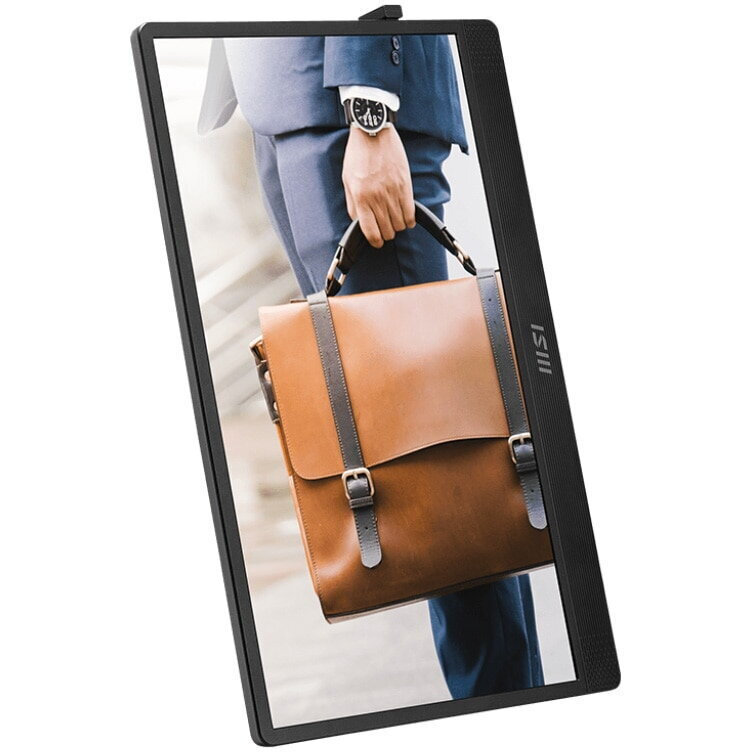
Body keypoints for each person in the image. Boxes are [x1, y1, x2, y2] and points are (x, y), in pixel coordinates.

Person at [199, 34, 543, 698]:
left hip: (343, 102)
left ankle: (505, 705)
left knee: (444, 480)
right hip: (281, 101)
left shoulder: (360, 116)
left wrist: (371, 113)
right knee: (421, 474)